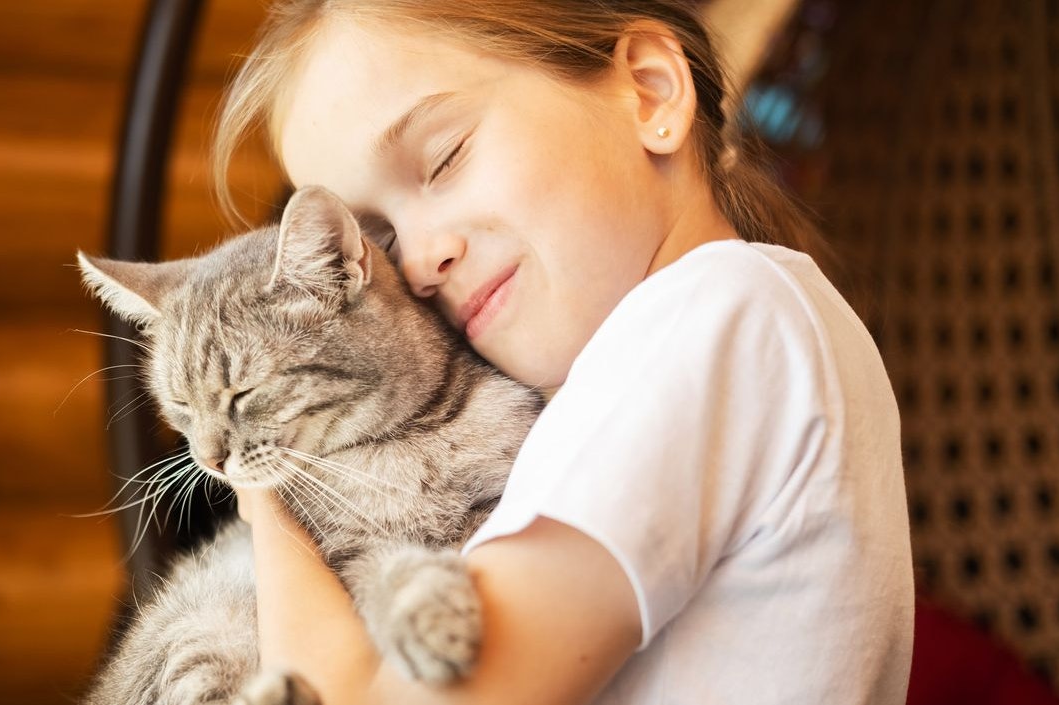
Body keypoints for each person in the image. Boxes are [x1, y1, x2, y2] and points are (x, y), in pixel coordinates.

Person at [213, 1, 915, 703]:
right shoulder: (743, 323)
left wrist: (266, 495)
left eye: (444, 158)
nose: (421, 260)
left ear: (649, 91)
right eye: (379, 238)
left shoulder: (711, 320)